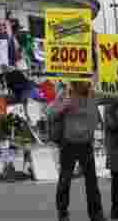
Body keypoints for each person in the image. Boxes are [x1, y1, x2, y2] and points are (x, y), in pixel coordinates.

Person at [47, 80, 107, 221]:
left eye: (89, 81)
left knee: (92, 182)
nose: (88, 83)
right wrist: (63, 106)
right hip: (68, 144)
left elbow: (115, 96)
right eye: (85, 81)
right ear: (77, 82)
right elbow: (50, 114)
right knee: (65, 180)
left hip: (86, 144)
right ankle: (63, 213)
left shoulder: (93, 94)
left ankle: (96, 214)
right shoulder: (65, 94)